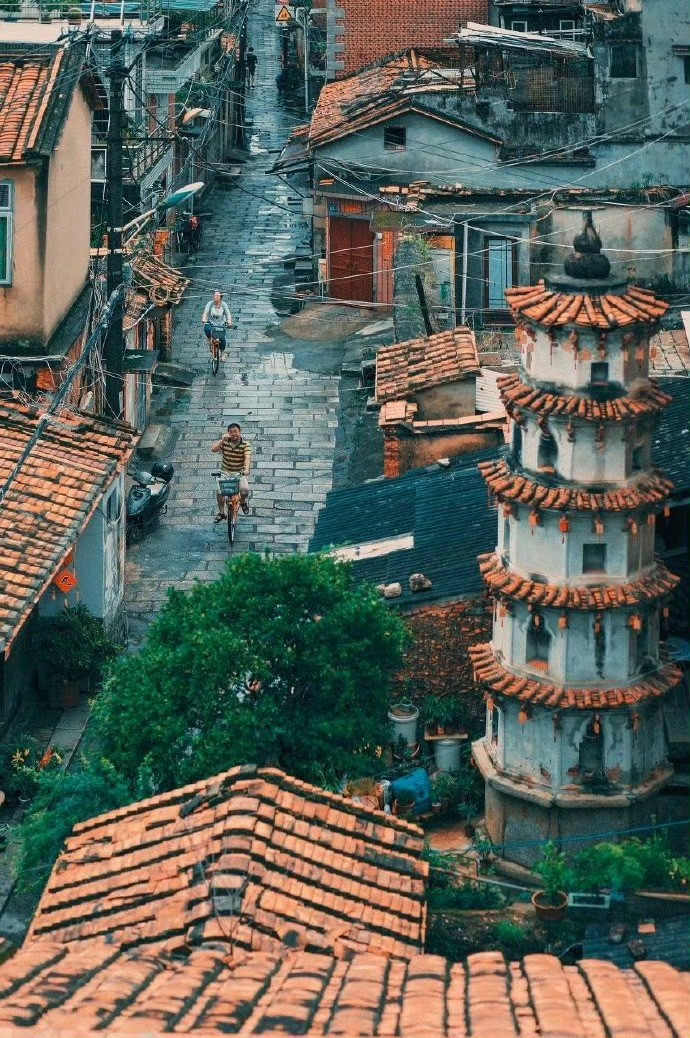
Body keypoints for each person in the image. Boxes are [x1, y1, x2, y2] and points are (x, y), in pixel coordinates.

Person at [211, 422, 251, 520]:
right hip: (225, 471)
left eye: (236, 431)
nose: (234, 434)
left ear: (240, 432)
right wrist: (222, 440)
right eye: (231, 432)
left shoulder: (246, 444)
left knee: (245, 490)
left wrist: (246, 469)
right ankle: (221, 512)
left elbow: (247, 458)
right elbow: (213, 449)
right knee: (220, 492)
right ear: (228, 433)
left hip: (238, 472)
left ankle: (242, 502)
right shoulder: (225, 442)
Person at [202, 291, 232, 358]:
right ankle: (211, 344)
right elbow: (205, 312)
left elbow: (228, 314)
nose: (215, 297)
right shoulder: (210, 304)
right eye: (214, 295)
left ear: (221, 298)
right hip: (211, 324)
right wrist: (204, 318)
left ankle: (222, 353)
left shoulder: (224, 304)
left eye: (217, 296)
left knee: (222, 340)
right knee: (208, 331)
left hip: (221, 324)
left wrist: (229, 321)